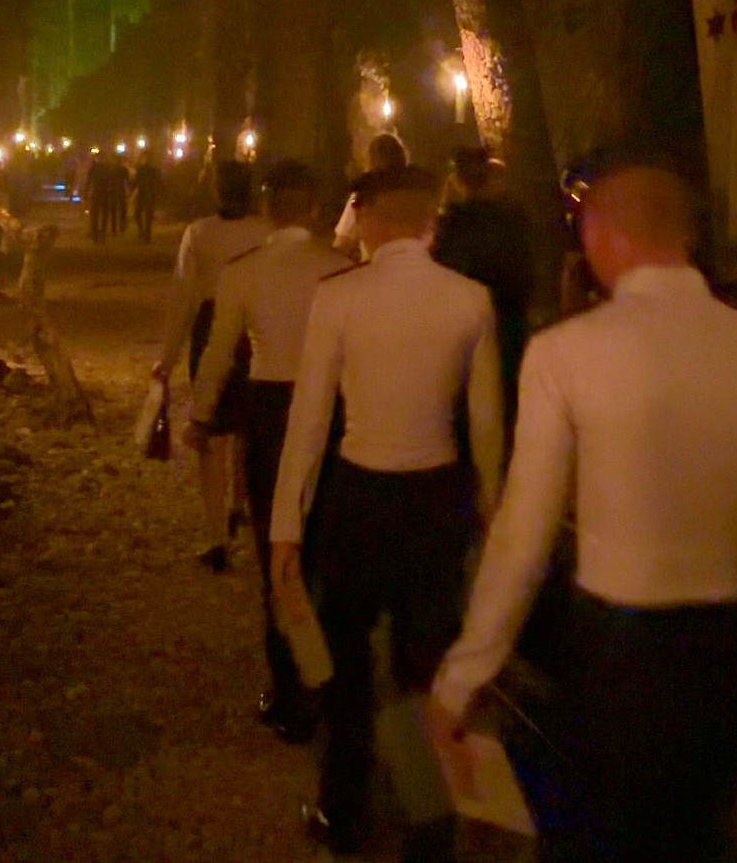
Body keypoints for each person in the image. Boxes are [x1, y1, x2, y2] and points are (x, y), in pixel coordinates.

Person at [427, 161, 737, 863]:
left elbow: (523, 533)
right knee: (694, 833)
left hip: (619, 648)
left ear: (600, 237)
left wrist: (464, 673)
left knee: (597, 836)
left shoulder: (567, 352)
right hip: (730, 650)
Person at [271, 165, 504, 860]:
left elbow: (309, 422)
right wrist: (491, 516)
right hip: (436, 492)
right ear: (431, 220)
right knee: (421, 663)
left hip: (359, 492)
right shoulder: (471, 300)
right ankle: (427, 823)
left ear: (368, 218)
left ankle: (345, 804)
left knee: (344, 655)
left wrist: (287, 522)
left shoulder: (339, 297)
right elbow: (485, 425)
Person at [191, 160, 350, 741]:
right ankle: (329, 676)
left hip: (269, 409)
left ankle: (290, 686)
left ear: (267, 207)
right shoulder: (339, 269)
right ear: (312, 206)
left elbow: (217, 354)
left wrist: (200, 413)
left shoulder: (245, 273)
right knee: (323, 541)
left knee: (273, 544)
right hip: (329, 408)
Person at [152, 160, 270, 571]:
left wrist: (166, 358)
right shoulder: (265, 232)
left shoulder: (199, 233)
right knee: (245, 427)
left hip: (211, 327)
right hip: (255, 332)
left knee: (211, 431)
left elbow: (183, 295)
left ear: (217, 191)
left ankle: (217, 536)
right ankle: (240, 502)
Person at [432, 146, 533, 438]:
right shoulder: (514, 219)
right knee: (505, 390)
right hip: (508, 318)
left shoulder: (452, 223)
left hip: (468, 321)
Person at [332, 132, 407, 259]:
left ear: (371, 160)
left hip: (375, 272)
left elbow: (342, 244)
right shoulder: (414, 195)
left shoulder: (363, 196)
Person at [84, 151, 114, 244]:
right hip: (105, 194)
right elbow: (111, 182)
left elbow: (88, 182)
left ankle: (95, 234)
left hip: (96, 193)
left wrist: (86, 193)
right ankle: (103, 233)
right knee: (104, 214)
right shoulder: (108, 168)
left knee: (95, 215)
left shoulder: (93, 168)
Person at [132, 153, 161, 244]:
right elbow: (158, 182)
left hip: (142, 194)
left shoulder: (140, 169)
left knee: (137, 214)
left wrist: (132, 193)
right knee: (148, 217)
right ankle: (147, 236)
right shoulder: (154, 170)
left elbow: (136, 182)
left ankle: (141, 231)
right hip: (151, 195)